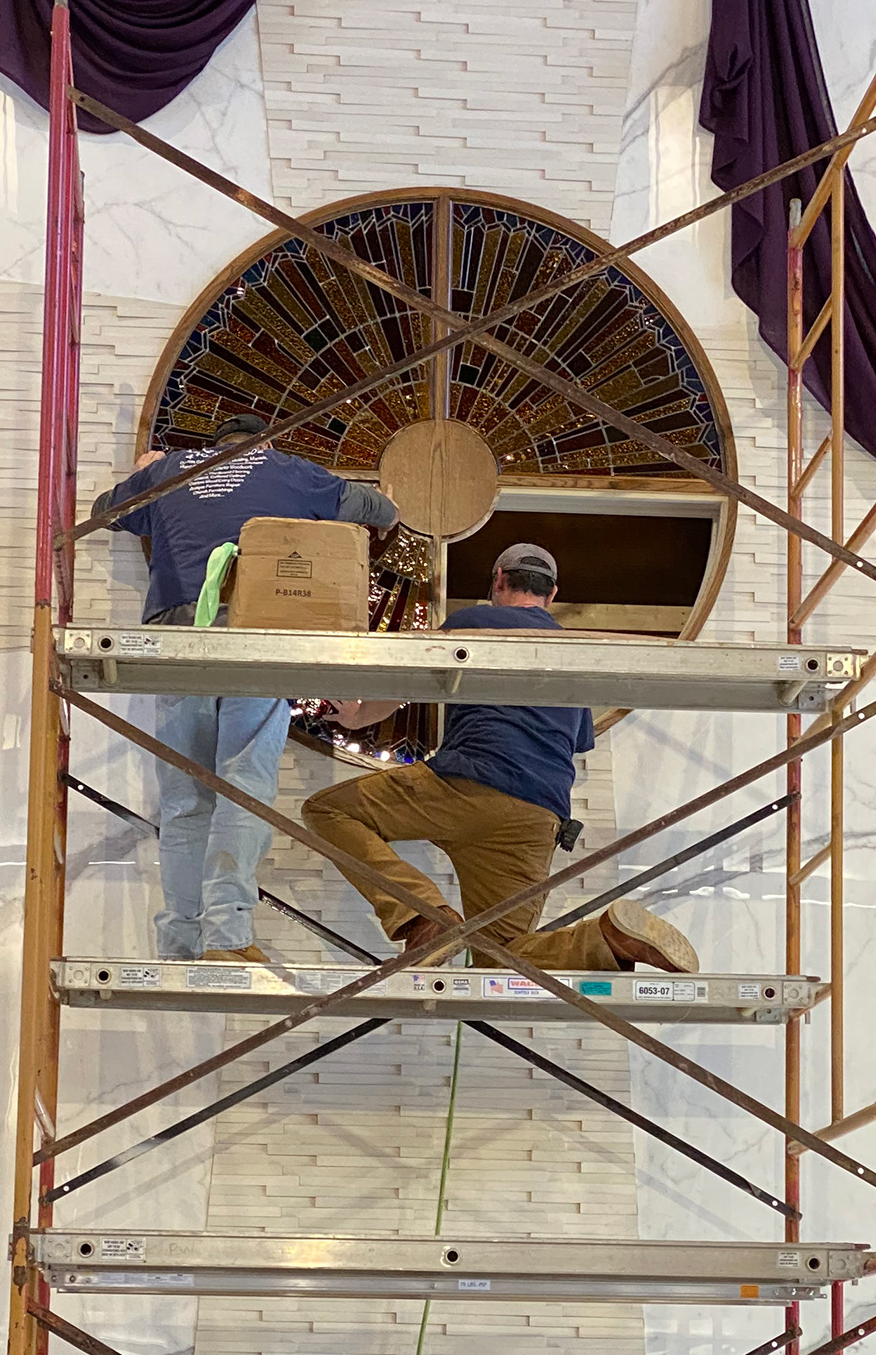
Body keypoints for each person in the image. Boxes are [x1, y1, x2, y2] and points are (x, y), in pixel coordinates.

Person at [304, 541, 698, 973]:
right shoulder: (573, 656)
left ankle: (422, 916)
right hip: (537, 818)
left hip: (467, 785)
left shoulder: (473, 624)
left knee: (328, 811)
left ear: (498, 580)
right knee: (500, 960)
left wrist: (359, 716)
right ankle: (607, 940)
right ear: (551, 593)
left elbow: (407, 681)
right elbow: (578, 740)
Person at [92, 410, 398, 962]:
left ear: (216, 443)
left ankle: (181, 942)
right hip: (253, 637)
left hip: (175, 640)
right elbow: (378, 511)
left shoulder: (173, 469)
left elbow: (104, 514)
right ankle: (228, 938)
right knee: (243, 786)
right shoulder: (288, 470)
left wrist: (144, 471)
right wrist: (380, 501)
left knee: (185, 800)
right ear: (266, 444)